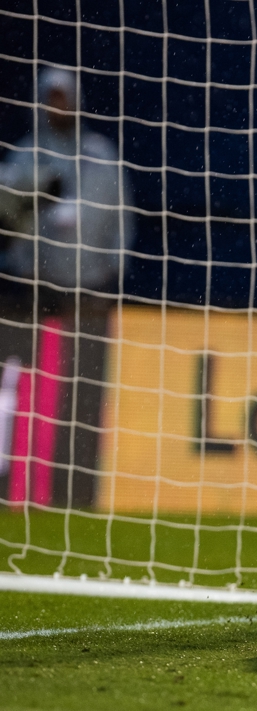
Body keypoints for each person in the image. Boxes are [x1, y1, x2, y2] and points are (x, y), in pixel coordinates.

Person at [0, 66, 134, 507]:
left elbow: (122, 222)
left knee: (82, 396)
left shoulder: (101, 155)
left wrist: (113, 275)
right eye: (49, 97)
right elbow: (8, 220)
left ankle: (73, 493)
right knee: (22, 393)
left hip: (88, 296)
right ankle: (15, 486)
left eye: (63, 97)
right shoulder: (24, 156)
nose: (57, 106)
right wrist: (22, 268)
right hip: (33, 297)